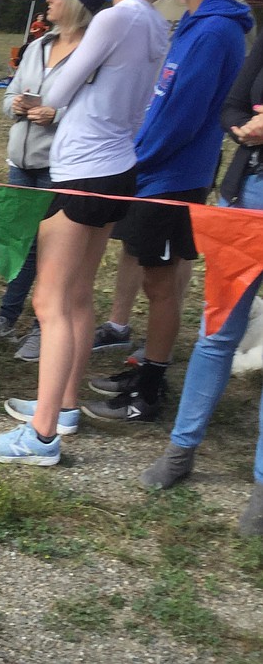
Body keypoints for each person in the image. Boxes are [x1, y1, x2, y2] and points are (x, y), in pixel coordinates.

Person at [0, 0, 182, 465]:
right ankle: (62, 405)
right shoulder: (156, 23)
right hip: (116, 167)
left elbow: (57, 87)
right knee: (79, 297)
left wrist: (66, 79)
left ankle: (41, 435)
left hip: (85, 169)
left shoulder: (115, 19)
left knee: (50, 300)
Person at [81, 0, 252, 424]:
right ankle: (145, 367)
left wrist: (134, 160)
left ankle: (150, 388)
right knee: (150, 276)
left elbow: (183, 113)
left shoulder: (217, 29)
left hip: (172, 174)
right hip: (154, 168)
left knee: (160, 285)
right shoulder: (195, 20)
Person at [138, 32, 263, 538]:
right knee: (216, 336)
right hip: (243, 202)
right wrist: (245, 128)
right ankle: (182, 449)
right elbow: (230, 105)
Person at [0, 0, 104, 362]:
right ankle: (6, 318)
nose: (48, 1)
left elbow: (93, 109)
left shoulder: (92, 53)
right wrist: (13, 104)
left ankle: (43, 328)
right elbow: (10, 93)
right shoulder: (37, 46)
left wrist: (55, 114)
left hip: (59, 166)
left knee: (53, 253)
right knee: (21, 245)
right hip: (21, 161)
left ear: (75, 4)